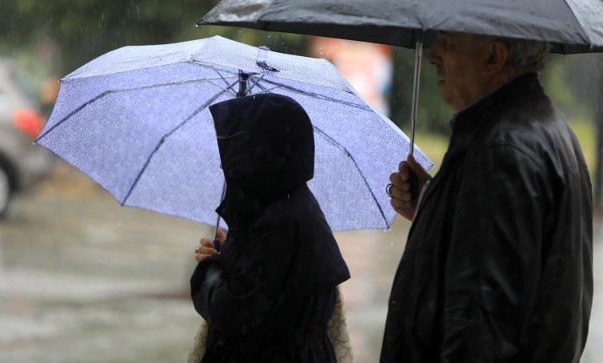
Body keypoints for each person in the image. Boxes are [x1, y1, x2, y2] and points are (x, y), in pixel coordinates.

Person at [382, 31, 593, 362]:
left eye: (447, 42)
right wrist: (434, 206)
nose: (434, 54)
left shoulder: (503, 151)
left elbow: (479, 328)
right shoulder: (546, 129)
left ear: (494, 57)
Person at [190, 93, 350, 362]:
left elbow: (232, 312)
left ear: (257, 155)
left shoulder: (279, 225)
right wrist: (228, 253)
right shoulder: (289, 206)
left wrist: (210, 268)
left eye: (232, 150)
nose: (222, 163)